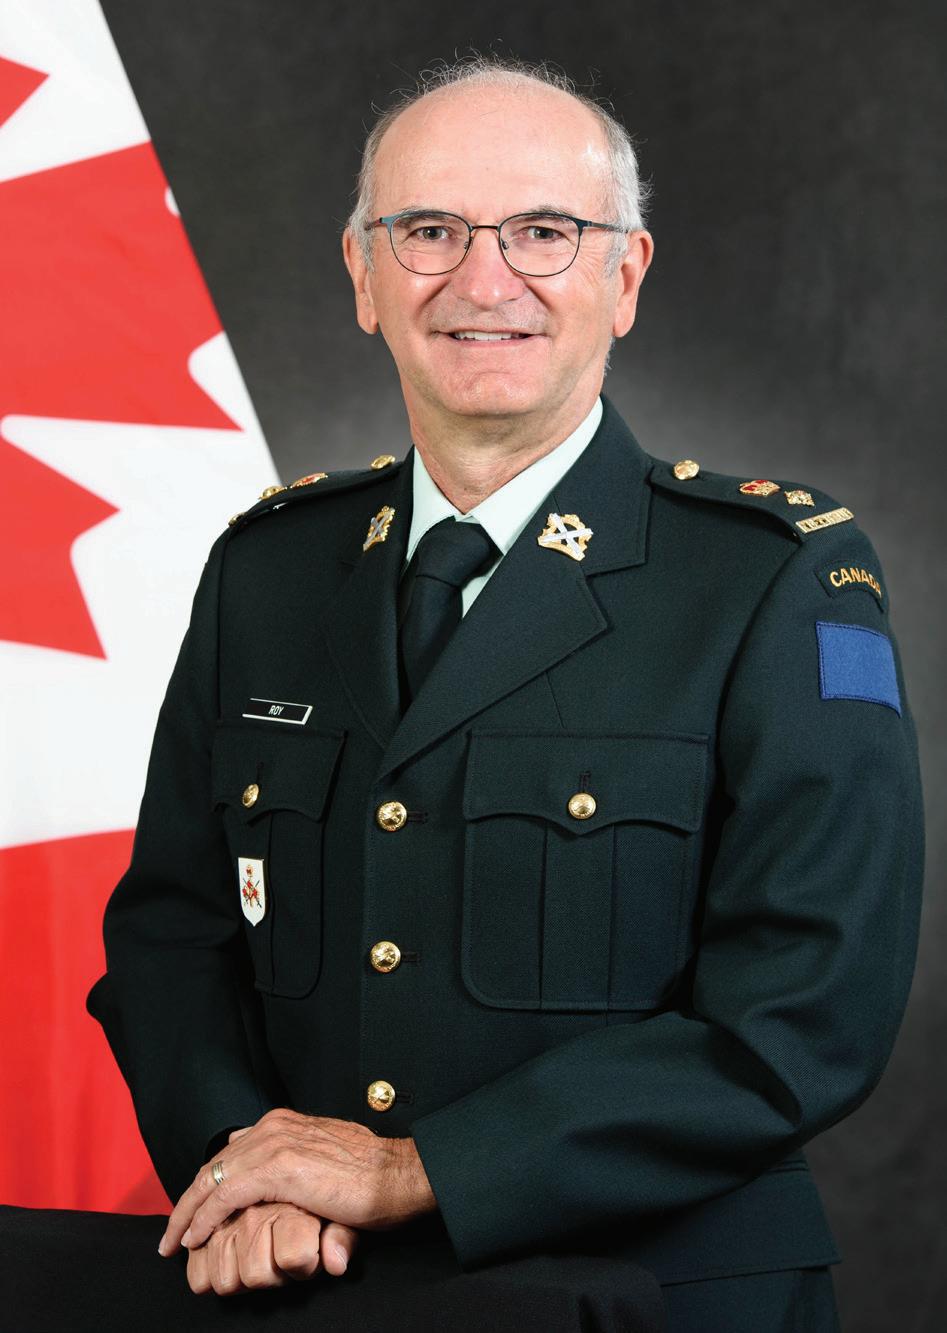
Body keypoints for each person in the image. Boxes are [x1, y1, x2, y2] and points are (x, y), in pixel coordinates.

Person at [87, 54, 924, 1331]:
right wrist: (242, 1163)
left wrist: (411, 1171)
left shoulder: (773, 577)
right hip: (313, 1291)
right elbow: (170, 934)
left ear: (623, 278)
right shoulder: (268, 572)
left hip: (658, 1298)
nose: (484, 281)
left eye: (543, 231)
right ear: (362, 275)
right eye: (428, 231)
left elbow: (804, 1009)